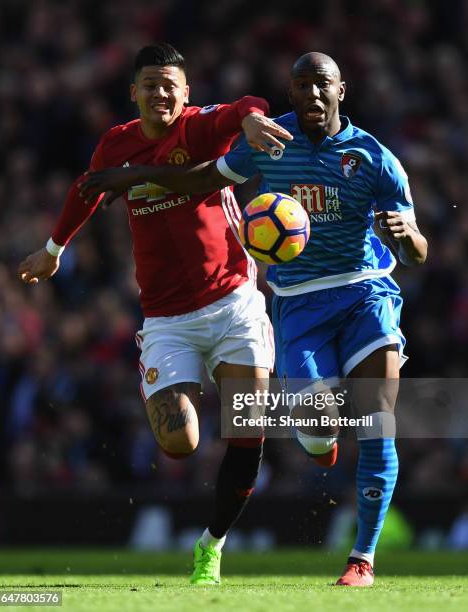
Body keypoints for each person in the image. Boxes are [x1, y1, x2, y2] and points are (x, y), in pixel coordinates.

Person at [79, 51, 428, 587]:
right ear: (290, 94)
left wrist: (407, 240)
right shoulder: (270, 142)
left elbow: (417, 252)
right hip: (299, 302)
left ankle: (362, 559)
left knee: (379, 421)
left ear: (342, 90)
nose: (313, 95)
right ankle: (320, 438)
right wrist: (132, 176)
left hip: (365, 293)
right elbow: (202, 181)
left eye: (323, 86)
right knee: (314, 429)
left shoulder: (375, 158)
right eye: (302, 86)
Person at [18, 42, 294, 585]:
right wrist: (53, 251)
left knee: (247, 429)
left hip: (234, 299)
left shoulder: (198, 129)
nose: (161, 93)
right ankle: (162, 377)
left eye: (170, 84)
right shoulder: (115, 144)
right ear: (134, 94)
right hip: (168, 319)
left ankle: (211, 546)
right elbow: (87, 191)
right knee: (180, 444)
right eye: (150, 84)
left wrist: (255, 120)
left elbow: (245, 103)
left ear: (185, 93)